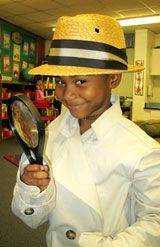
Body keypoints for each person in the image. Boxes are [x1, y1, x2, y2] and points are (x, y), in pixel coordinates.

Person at [11, 14, 160, 247]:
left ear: (113, 79)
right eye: (61, 82)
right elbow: (32, 217)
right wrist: (31, 188)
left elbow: (154, 223)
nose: (66, 95)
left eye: (80, 81)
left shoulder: (143, 150)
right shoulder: (51, 132)